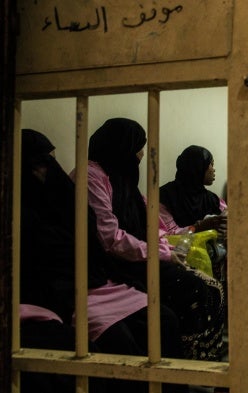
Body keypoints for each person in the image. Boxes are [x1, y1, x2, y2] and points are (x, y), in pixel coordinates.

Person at [20, 129, 186, 393]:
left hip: (98, 280)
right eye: (42, 163)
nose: (49, 170)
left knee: (163, 319)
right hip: (62, 293)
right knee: (120, 340)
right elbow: (108, 238)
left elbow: (101, 234)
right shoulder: (84, 181)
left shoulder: (67, 197)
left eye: (53, 161)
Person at [79, 118, 226, 361]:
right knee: (198, 289)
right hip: (110, 265)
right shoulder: (93, 177)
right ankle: (190, 360)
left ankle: (202, 359)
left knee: (209, 287)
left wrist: (168, 245)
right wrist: (173, 245)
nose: (141, 156)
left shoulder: (123, 181)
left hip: (143, 253)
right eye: (139, 148)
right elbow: (111, 237)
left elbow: (149, 226)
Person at [160, 145, 228, 281]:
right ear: (198, 167)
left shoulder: (211, 198)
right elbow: (167, 235)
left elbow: (228, 214)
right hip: (179, 259)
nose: (214, 170)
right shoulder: (164, 196)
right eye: (211, 165)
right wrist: (199, 226)